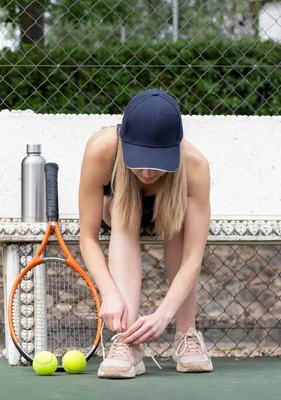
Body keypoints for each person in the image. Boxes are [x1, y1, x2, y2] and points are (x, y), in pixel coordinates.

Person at [77, 89, 213, 379]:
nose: (148, 172)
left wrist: (163, 315)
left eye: (158, 161)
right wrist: (109, 293)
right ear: (124, 142)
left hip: (170, 213)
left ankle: (186, 335)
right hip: (118, 212)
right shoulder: (101, 149)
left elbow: (193, 257)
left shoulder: (195, 165)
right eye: (139, 159)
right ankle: (127, 343)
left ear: (175, 150)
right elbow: (87, 237)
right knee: (124, 214)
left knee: (180, 223)